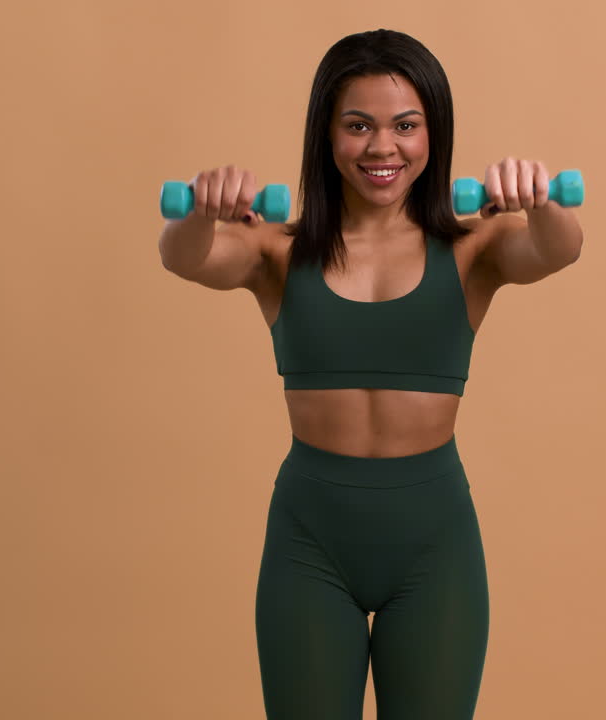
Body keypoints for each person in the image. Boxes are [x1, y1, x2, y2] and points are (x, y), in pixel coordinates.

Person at [158, 28, 583, 720]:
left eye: (405, 126)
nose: (383, 148)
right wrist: (202, 212)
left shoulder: (474, 246)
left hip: (434, 542)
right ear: (326, 135)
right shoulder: (277, 250)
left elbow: (559, 249)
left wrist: (542, 200)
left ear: (433, 133)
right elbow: (185, 258)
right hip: (310, 541)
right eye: (358, 126)